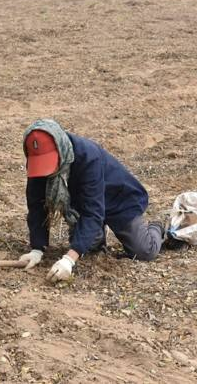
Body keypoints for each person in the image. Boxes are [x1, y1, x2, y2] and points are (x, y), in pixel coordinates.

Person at [18, 119, 164, 283]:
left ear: (61, 148)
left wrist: (69, 260)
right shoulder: (37, 162)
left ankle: (156, 227)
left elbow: (93, 213)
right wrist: (37, 249)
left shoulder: (88, 157)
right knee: (89, 246)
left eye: (49, 162)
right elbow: (36, 206)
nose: (46, 170)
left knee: (144, 252)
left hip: (118, 199)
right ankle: (98, 233)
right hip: (85, 200)